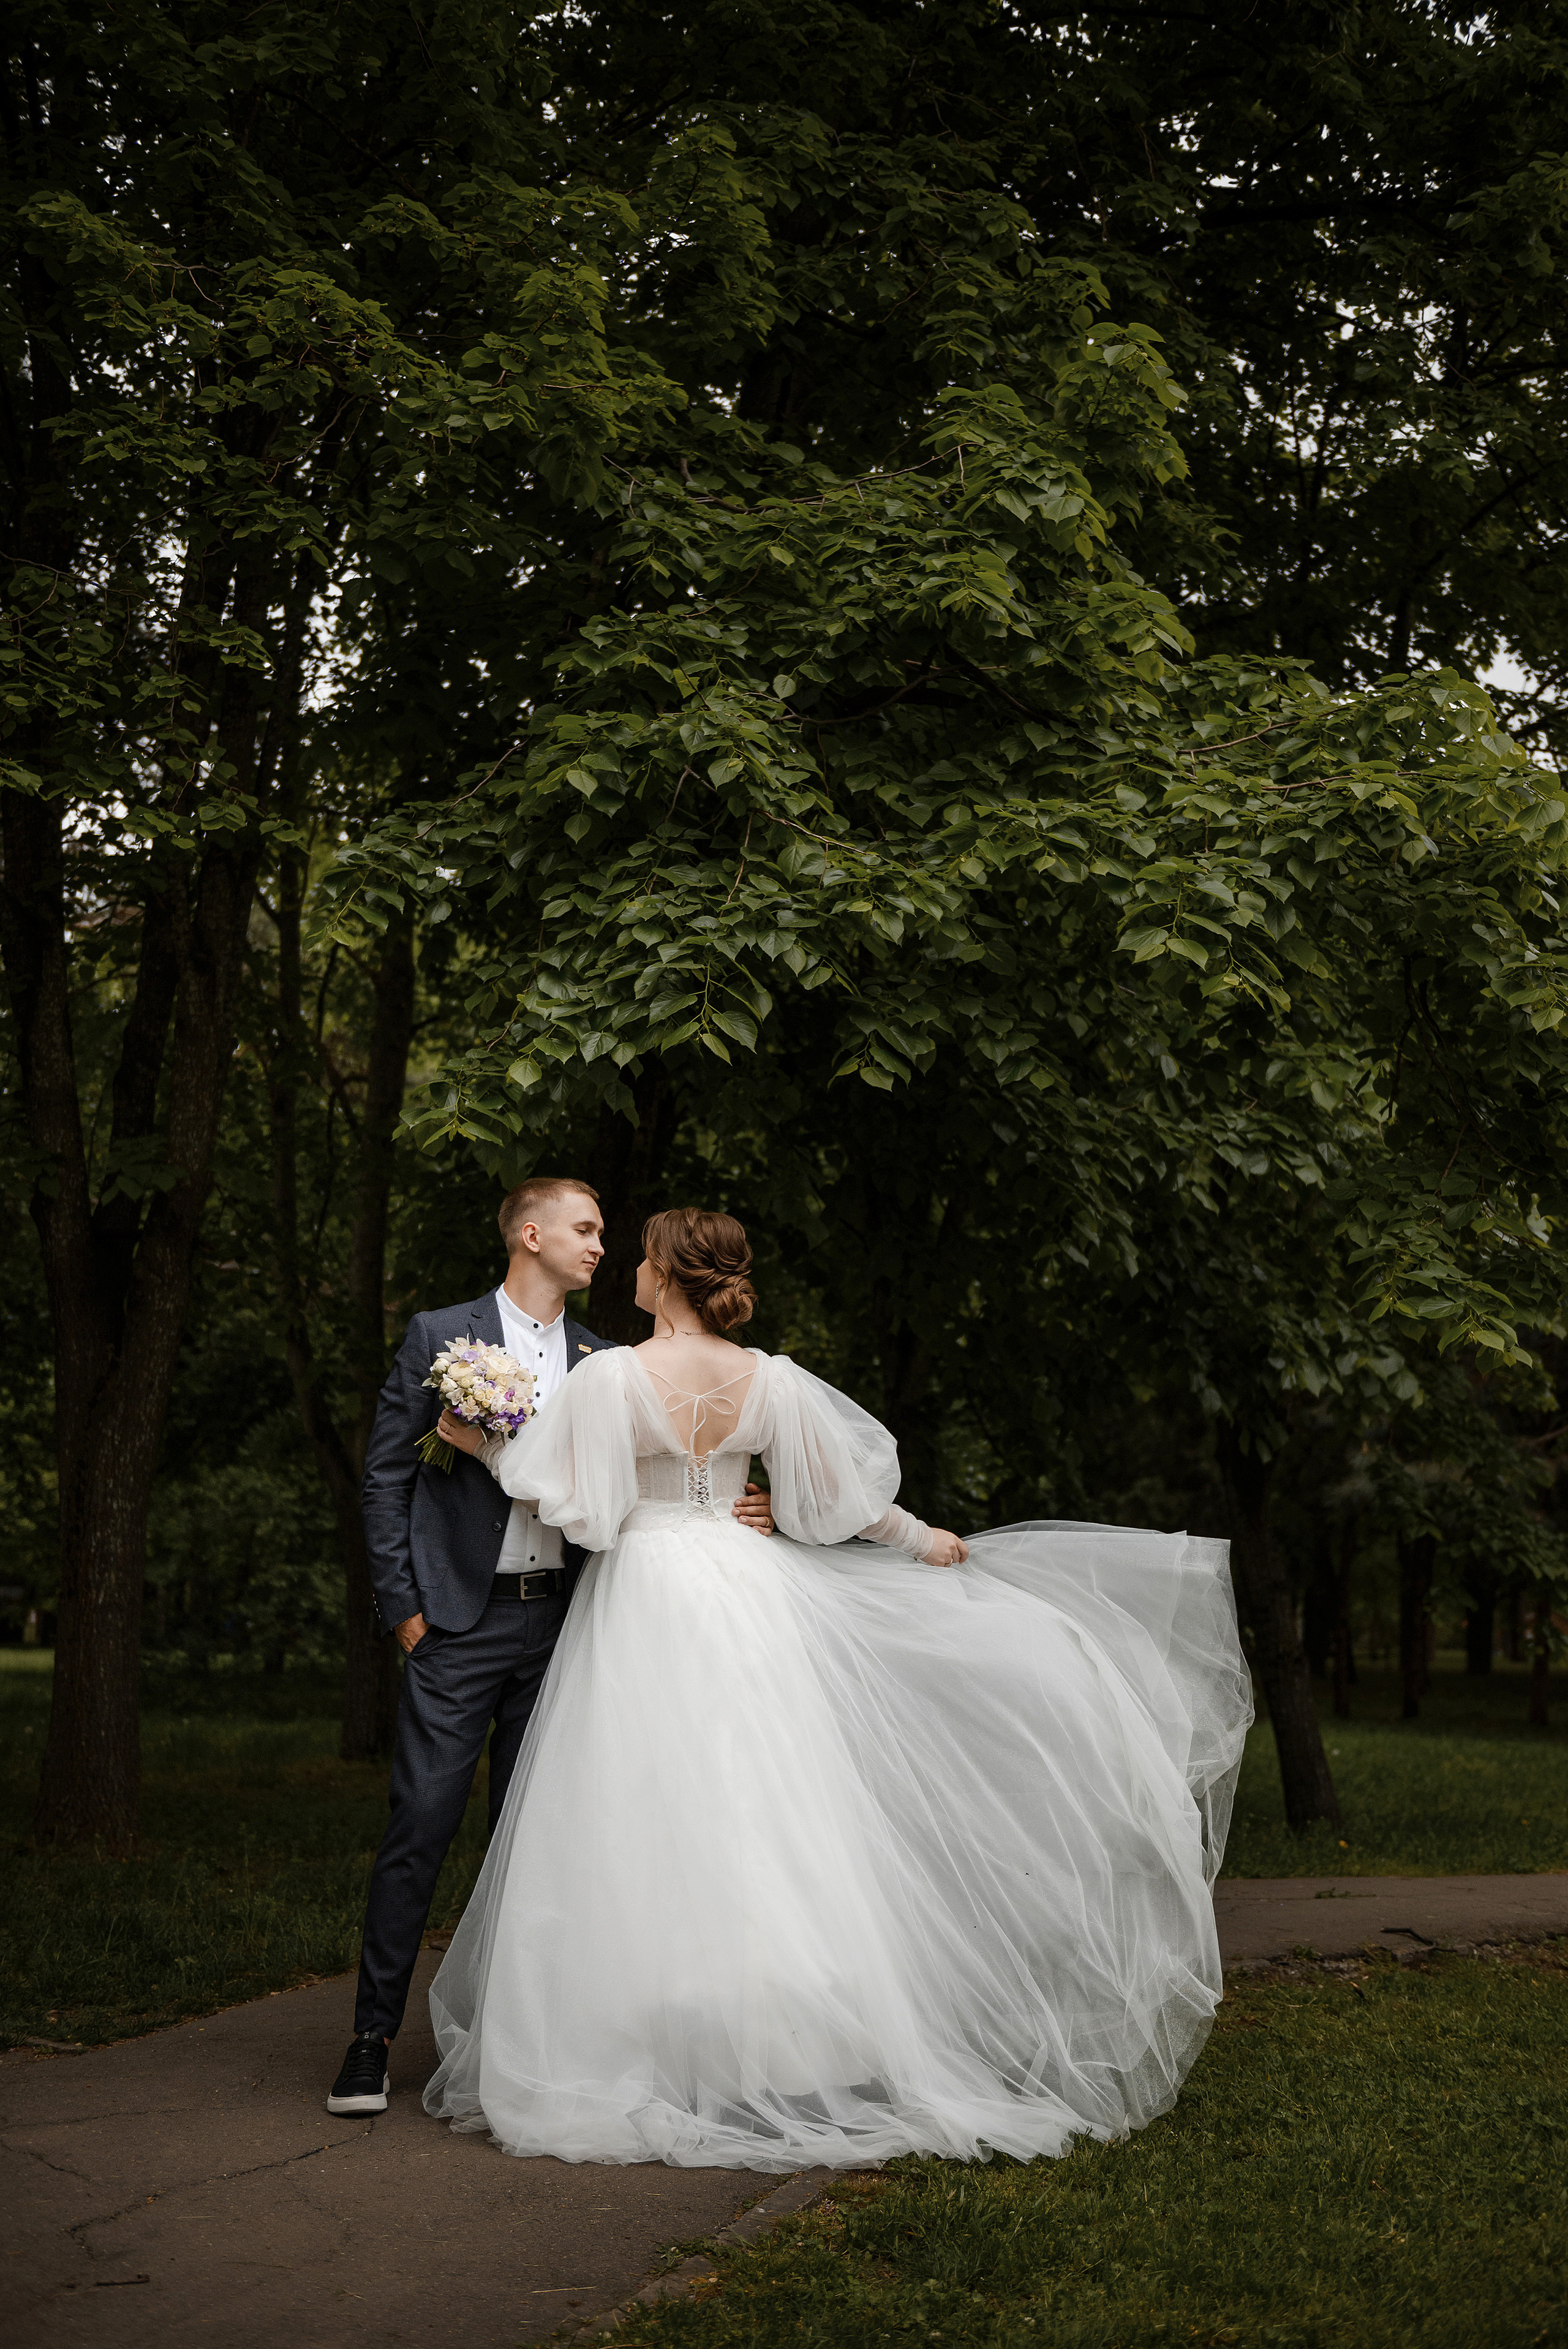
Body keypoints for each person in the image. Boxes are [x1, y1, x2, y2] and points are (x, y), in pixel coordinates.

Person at [420, 1206, 1253, 2170]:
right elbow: (843, 1500)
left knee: (636, 1804)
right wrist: (922, 1538)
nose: (632, 1271)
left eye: (642, 1257)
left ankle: (636, 2037)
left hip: (645, 1592)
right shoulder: (768, 1378)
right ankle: (765, 2043)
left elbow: (585, 1513)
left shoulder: (613, 1377)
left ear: (667, 1274)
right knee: (763, 1804)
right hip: (746, 1590)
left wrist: (481, 1444)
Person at [325, 1180, 775, 2116]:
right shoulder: (439, 1336)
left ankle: (516, 2044)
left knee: (541, 1844)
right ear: (531, 1233)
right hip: (457, 1622)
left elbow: (658, 1476)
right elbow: (386, 1478)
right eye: (585, 1228)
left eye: (607, 1232)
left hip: (569, 1622)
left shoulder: (610, 1360)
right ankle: (370, 2039)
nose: (600, 1244)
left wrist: (744, 1505)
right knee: (421, 1825)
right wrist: (404, 1609)